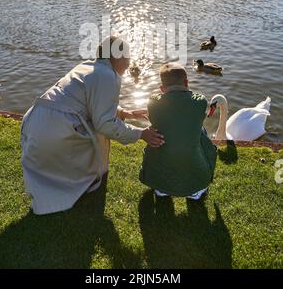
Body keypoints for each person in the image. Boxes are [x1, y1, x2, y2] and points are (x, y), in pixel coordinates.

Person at [21, 36, 164, 215]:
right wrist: (141, 134)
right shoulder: (108, 75)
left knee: (95, 129)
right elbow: (104, 124)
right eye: (127, 57)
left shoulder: (88, 67)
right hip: (56, 129)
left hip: (36, 122)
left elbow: (89, 104)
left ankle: (63, 184)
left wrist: (123, 112)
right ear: (116, 57)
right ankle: (86, 178)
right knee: (100, 131)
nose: (129, 63)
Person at [139, 62, 217, 200]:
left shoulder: (153, 103)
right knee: (201, 131)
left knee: (160, 133)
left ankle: (162, 188)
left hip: (161, 169)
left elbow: (154, 97)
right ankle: (195, 190)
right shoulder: (200, 102)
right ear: (187, 82)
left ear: (161, 88)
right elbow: (196, 97)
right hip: (194, 170)